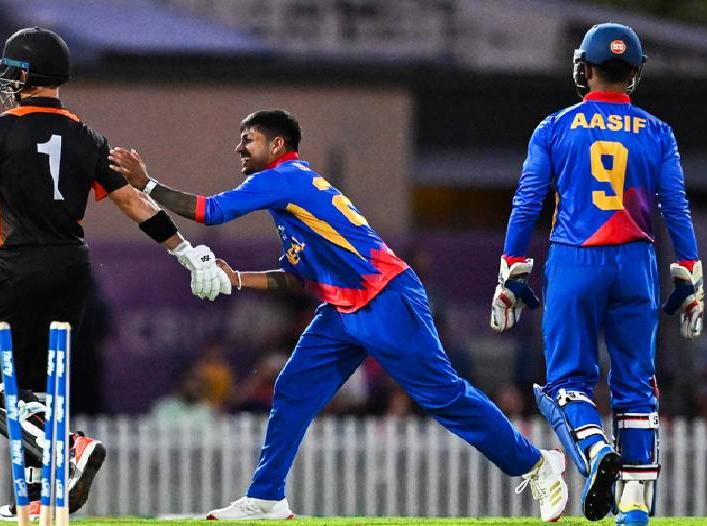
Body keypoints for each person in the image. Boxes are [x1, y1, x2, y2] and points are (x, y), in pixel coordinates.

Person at [109, 110, 569, 522]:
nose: (239, 148)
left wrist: (147, 184)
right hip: (343, 307)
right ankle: (266, 498)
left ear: (276, 145)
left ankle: (537, 464)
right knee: (292, 388)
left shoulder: (282, 177)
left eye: (247, 139)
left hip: (385, 296)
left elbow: (210, 212)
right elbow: (297, 278)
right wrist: (237, 279)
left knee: (444, 396)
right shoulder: (292, 195)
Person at [0, 27, 230, 521]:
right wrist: (185, 251)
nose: (5, 82)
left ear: (25, 75)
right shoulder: (85, 136)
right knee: (34, 392)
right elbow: (131, 201)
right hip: (72, 271)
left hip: (13, 266)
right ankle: (39, 500)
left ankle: (71, 449)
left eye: (11, 72)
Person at [490, 23, 703, 526]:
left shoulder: (554, 127)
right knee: (637, 385)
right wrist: (690, 275)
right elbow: (675, 207)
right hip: (636, 263)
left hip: (574, 260)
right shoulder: (658, 132)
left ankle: (593, 449)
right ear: (634, 73)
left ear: (583, 69)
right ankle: (634, 506)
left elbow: (527, 202)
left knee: (567, 381)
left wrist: (510, 272)